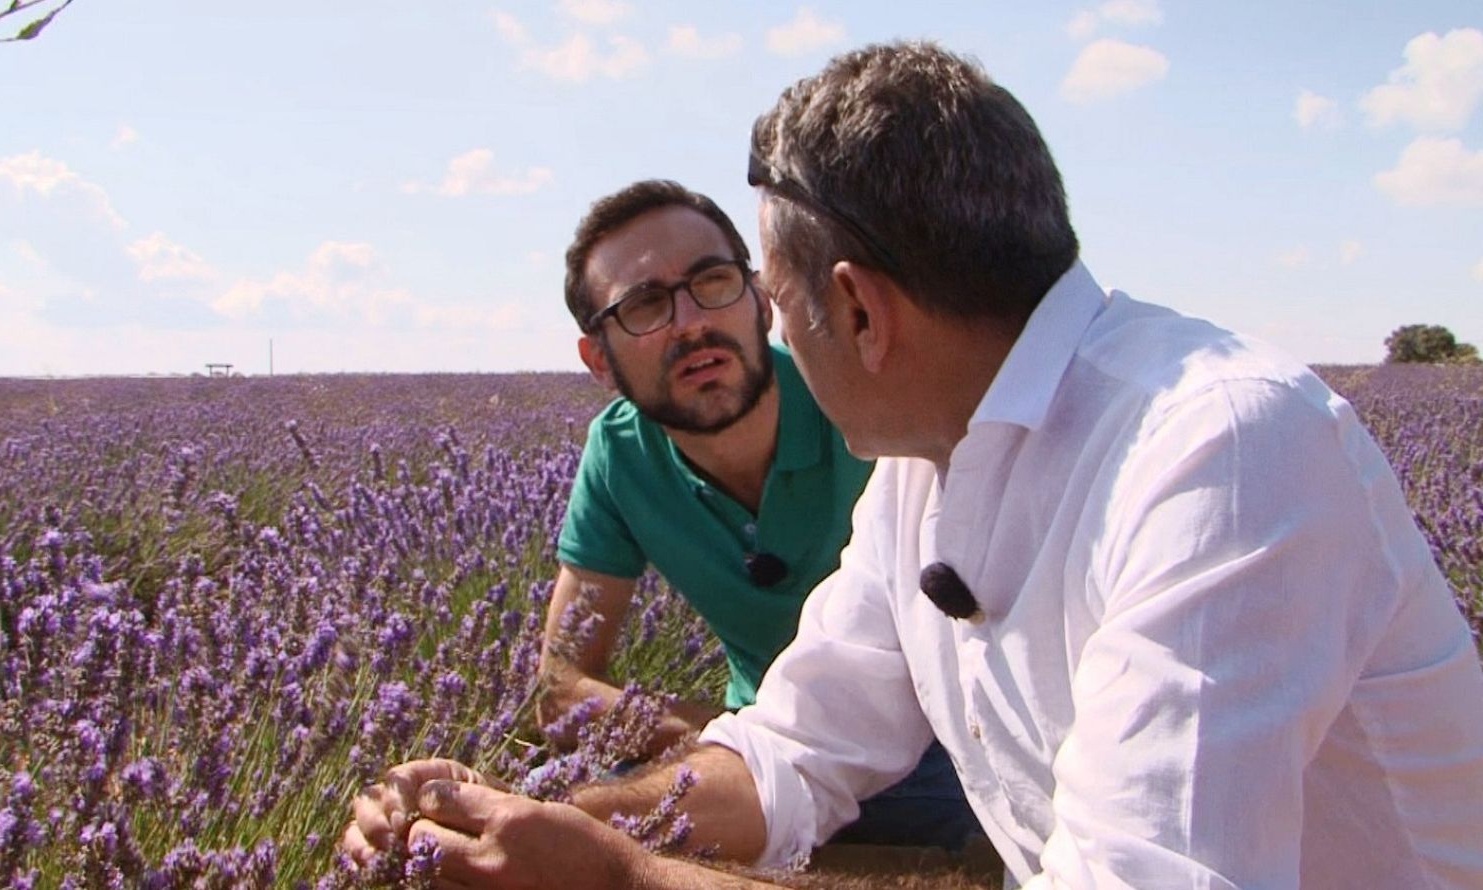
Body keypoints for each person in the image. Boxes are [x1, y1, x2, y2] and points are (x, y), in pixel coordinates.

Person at [345, 41, 1483, 888]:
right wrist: (540, 822)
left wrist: (625, 878)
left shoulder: (1217, 454)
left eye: (767, 299)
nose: (770, 340)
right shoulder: (922, 468)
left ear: (858, 312)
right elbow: (790, 753)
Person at [538, 179, 975, 848]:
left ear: (761, 301)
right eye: (645, 305)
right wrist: (734, 741)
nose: (691, 323)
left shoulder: (863, 403)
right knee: (553, 801)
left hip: (927, 743)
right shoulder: (620, 454)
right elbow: (561, 684)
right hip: (748, 745)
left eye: (712, 282)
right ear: (599, 359)